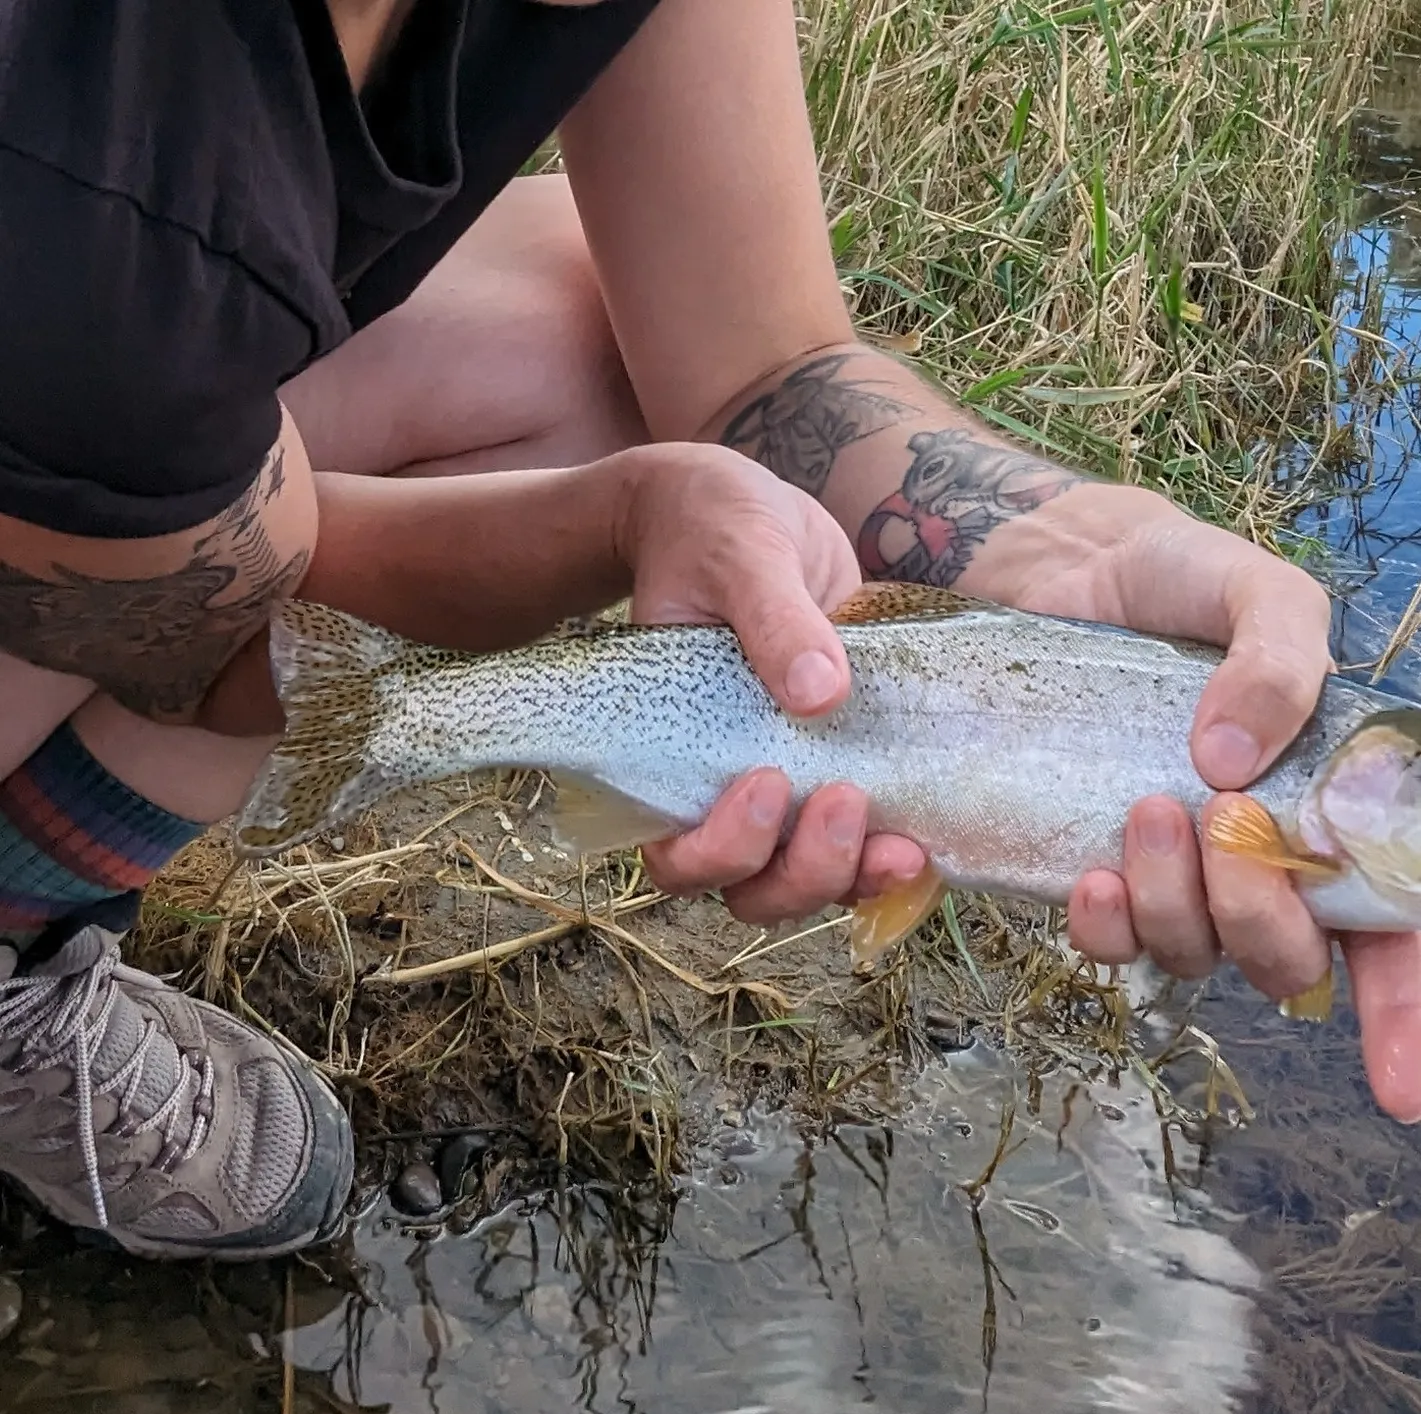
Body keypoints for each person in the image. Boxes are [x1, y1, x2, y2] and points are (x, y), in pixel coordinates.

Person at [0, 0, 1414, 1264]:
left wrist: (1068, 547)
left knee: (586, 311)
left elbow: (767, 369)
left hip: (115, 441)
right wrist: (611, 525)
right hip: (77, 379)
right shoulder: (105, 190)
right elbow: (190, 613)